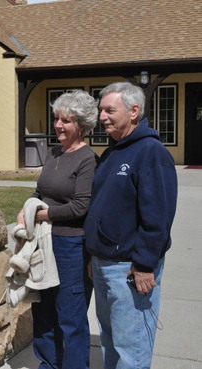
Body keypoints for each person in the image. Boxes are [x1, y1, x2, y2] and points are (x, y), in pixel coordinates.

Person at [84, 82, 178, 369]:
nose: (102, 117)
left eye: (109, 110)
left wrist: (145, 264)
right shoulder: (112, 152)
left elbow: (158, 217)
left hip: (129, 269)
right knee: (111, 342)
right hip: (103, 265)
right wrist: (93, 255)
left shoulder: (151, 152)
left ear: (134, 111)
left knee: (132, 351)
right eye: (101, 110)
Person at [16, 90, 98, 369]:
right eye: (56, 119)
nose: (58, 125)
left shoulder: (88, 159)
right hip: (43, 243)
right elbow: (41, 189)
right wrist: (25, 208)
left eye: (66, 121)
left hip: (71, 247)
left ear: (83, 125)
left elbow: (80, 207)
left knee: (71, 317)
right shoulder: (53, 153)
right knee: (44, 309)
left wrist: (43, 214)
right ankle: (48, 365)